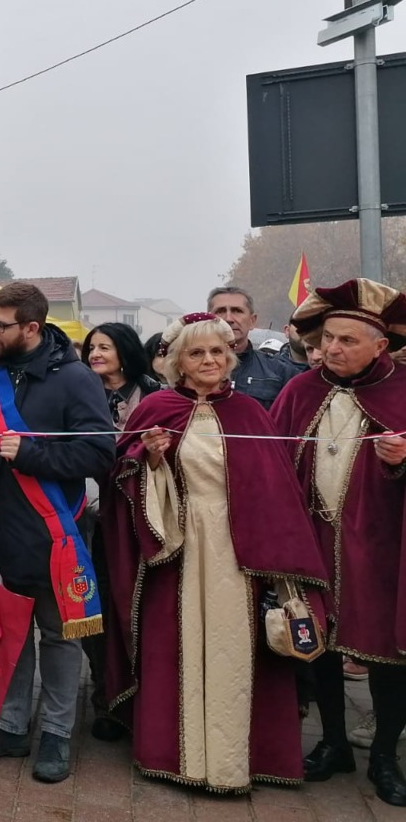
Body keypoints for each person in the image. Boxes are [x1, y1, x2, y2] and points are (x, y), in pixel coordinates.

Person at [102, 313, 328, 793]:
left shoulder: (250, 413)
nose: (209, 361)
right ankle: (176, 757)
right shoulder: (156, 409)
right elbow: (123, 479)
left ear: (230, 357)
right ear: (178, 361)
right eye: (197, 353)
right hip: (176, 547)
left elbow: (276, 491)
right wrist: (152, 459)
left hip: (240, 550)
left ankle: (233, 761)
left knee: (234, 647)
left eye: (218, 353)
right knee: (176, 647)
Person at [0, 281, 115, 783]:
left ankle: (57, 734)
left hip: (51, 531)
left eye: (0, 324)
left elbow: (99, 454)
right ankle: (12, 728)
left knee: (59, 638)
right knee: (9, 637)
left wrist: (33, 453)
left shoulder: (75, 378)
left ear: (32, 328)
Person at [272, 279, 406, 807]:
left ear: (381, 346)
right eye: (328, 338)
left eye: (348, 340)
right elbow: (269, 463)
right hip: (312, 543)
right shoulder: (299, 390)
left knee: (388, 655)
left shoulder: (403, 390)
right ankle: (333, 744)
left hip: (382, 548)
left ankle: (384, 757)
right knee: (315, 645)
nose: (333, 349)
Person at [79, 322, 162, 742]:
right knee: (97, 607)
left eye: (104, 347)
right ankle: (106, 699)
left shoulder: (155, 395)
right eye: (91, 347)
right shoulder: (80, 392)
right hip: (90, 516)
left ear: (125, 351)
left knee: (142, 608)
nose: (95, 353)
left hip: (141, 518)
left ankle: (151, 702)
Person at [206, 286, 303, 410]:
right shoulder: (188, 371)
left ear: (252, 321)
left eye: (237, 311)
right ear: (207, 320)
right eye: (220, 311)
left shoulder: (281, 373)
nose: (228, 319)